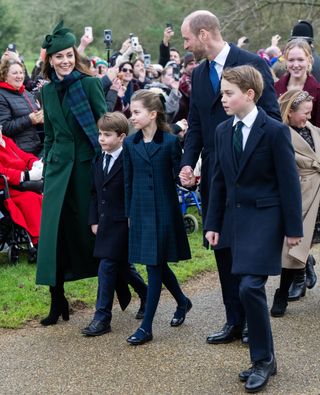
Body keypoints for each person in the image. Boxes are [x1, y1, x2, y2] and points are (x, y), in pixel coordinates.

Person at [179, 10, 281, 346]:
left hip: (249, 172)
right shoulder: (198, 74)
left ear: (204, 34)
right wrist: (188, 164)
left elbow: (272, 116)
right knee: (220, 244)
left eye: (187, 38)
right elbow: (194, 123)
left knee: (246, 247)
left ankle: (253, 321)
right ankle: (233, 319)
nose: (185, 44)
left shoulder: (251, 62)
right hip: (213, 174)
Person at [205, 65, 302, 393]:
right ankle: (265, 358)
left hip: (265, 219)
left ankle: (263, 360)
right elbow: (217, 181)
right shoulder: (222, 131)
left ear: (249, 94)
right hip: (233, 222)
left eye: (228, 93)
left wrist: (294, 229)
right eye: (221, 94)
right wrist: (212, 223)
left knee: (249, 287)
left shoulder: (274, 131)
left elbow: (289, 183)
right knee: (243, 287)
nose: (223, 100)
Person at [36, 21, 107, 326]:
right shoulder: (47, 92)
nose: (64, 61)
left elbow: (105, 128)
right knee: (54, 237)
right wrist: (47, 160)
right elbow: (49, 134)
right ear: (49, 60)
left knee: (94, 234)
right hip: (57, 171)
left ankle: (123, 285)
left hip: (86, 168)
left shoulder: (90, 85)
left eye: (68, 55)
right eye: (58, 57)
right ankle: (57, 300)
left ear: (75, 56)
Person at [123, 90, 192, 345]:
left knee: (154, 266)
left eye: (137, 112)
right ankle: (182, 302)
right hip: (140, 212)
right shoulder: (130, 144)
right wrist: (129, 213)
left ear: (152, 114)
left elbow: (178, 176)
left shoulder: (171, 142)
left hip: (165, 211)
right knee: (157, 265)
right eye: (131, 112)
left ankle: (146, 327)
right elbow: (128, 182)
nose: (132, 117)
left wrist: (190, 181)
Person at [81, 112, 147, 336]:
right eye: (100, 134)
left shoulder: (129, 160)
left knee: (107, 265)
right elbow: (94, 193)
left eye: (107, 135)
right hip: (104, 223)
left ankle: (102, 317)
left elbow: (136, 191)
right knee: (122, 267)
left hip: (124, 223)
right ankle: (146, 295)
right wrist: (93, 220)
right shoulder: (99, 159)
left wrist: (134, 217)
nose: (101, 138)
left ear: (121, 137)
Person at [270, 90, 320, 317]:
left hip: (318, 192)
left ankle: (306, 264)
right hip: (301, 195)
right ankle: (281, 293)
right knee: (293, 247)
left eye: (310, 113)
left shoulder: (315, 131)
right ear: (289, 112)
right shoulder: (280, 134)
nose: (308, 118)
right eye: (304, 113)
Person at [0, 126, 42, 245]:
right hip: (7, 189)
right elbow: (2, 172)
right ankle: (38, 238)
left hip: (24, 185)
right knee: (31, 199)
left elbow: (23, 155)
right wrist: (25, 175)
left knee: (44, 195)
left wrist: (35, 163)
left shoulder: (6, 140)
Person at [0, 59, 43, 156]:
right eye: (15, 73)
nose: (19, 76)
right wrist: (29, 119)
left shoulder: (26, 93)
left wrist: (41, 117)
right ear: (5, 75)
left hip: (37, 148)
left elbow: (35, 118)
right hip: (18, 153)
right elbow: (3, 128)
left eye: (21, 72)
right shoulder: (1, 95)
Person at [275, 38, 320, 127]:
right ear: (285, 61)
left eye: (300, 60)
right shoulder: (275, 88)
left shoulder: (318, 91)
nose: (296, 65)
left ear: (309, 60)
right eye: (291, 60)